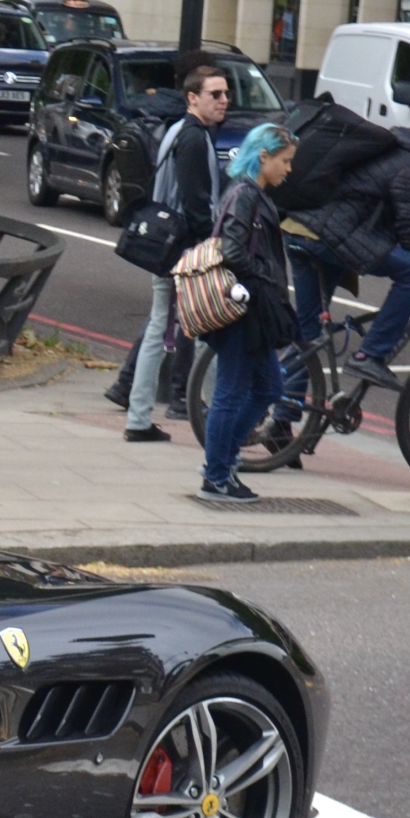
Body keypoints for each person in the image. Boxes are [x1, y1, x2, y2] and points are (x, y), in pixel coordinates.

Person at [289, 130, 410, 392]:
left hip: (303, 230)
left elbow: (390, 223)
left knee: (309, 336)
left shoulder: (402, 157)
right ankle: (369, 355)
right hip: (327, 236)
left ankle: (282, 419)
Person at [117, 61, 229, 443]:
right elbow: (197, 203)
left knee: (157, 329)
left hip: (166, 248)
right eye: (216, 94)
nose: (224, 100)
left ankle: (138, 418)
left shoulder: (177, 130)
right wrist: (211, 247)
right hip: (186, 251)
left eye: (226, 93)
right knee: (208, 330)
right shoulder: (195, 138)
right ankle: (215, 418)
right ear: (193, 98)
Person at [197, 123, 298, 504]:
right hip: (243, 307)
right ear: (264, 156)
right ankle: (216, 475)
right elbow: (231, 250)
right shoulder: (244, 195)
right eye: (285, 161)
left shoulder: (254, 194)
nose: (288, 169)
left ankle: (222, 461)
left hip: (254, 306)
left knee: (269, 388)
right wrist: (264, 279)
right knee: (230, 392)